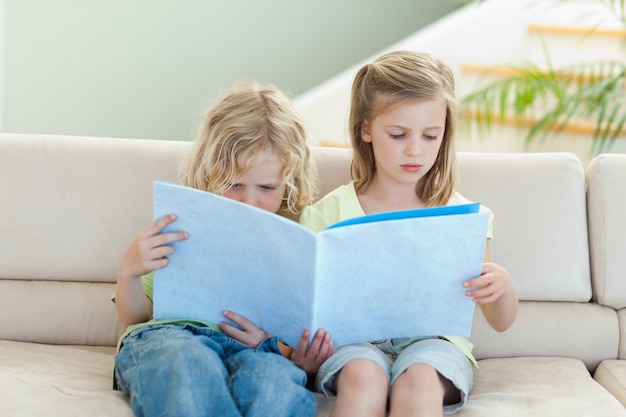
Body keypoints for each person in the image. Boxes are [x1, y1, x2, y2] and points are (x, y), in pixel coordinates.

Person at [299, 50, 519, 417]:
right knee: (361, 375)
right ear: (365, 129)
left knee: (418, 379)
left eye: (431, 136)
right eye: (398, 134)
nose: (415, 150)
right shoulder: (326, 213)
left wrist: (503, 286)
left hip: (434, 345)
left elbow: (500, 320)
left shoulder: (462, 214)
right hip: (355, 343)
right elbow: (305, 306)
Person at [114, 81, 333, 417]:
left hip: (261, 349)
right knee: (189, 366)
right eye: (234, 184)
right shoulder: (184, 222)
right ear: (211, 172)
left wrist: (294, 355)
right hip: (174, 336)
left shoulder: (298, 237)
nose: (250, 201)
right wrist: (129, 270)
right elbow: (136, 316)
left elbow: (297, 344)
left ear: (288, 181)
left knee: (275, 389)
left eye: (266, 187)